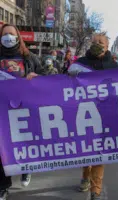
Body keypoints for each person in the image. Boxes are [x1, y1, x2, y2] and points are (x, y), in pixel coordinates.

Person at [68, 33, 118, 200]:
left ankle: (95, 191)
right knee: (86, 150)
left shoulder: (114, 66)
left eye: (101, 42)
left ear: (107, 46)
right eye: (95, 41)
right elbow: (62, 84)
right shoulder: (80, 64)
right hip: (83, 113)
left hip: (105, 116)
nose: (97, 44)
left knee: (99, 152)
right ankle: (85, 175)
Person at [0, 24, 42, 200]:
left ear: (18, 37)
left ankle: (26, 168)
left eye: (11, 34)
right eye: (5, 34)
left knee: (23, 143)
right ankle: (3, 185)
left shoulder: (29, 58)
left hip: (23, 109)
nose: (8, 37)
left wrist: (36, 78)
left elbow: (45, 78)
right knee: (2, 148)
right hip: (2, 110)